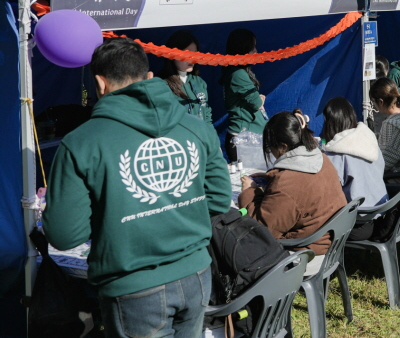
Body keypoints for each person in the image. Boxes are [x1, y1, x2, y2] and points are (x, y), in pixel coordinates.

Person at [45, 38, 231, 338]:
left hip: (133, 287)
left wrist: (122, 214)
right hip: (196, 274)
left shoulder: (81, 142)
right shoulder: (197, 128)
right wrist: (174, 211)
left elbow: (65, 235)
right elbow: (220, 200)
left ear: (99, 84)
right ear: (148, 78)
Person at [239, 110, 347, 276]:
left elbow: (263, 229)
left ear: (283, 147)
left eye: (271, 148)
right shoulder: (320, 158)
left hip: (306, 253)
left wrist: (249, 192)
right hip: (329, 243)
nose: (271, 153)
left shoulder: (288, 182)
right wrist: (272, 178)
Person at [321, 97, 389, 240]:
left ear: (330, 123)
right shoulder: (368, 138)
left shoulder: (337, 153)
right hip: (381, 214)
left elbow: (326, 189)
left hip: (357, 224)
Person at [221, 29, 266, 162]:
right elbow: (256, 103)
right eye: (252, 48)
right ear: (243, 49)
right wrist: (260, 99)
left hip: (250, 135)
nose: (256, 52)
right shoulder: (237, 74)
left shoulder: (240, 71)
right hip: (244, 138)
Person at [158, 29, 213, 133]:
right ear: (172, 55)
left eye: (195, 54)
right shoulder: (161, 84)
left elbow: (207, 114)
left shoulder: (199, 82)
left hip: (202, 140)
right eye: (187, 54)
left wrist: (212, 138)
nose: (192, 59)